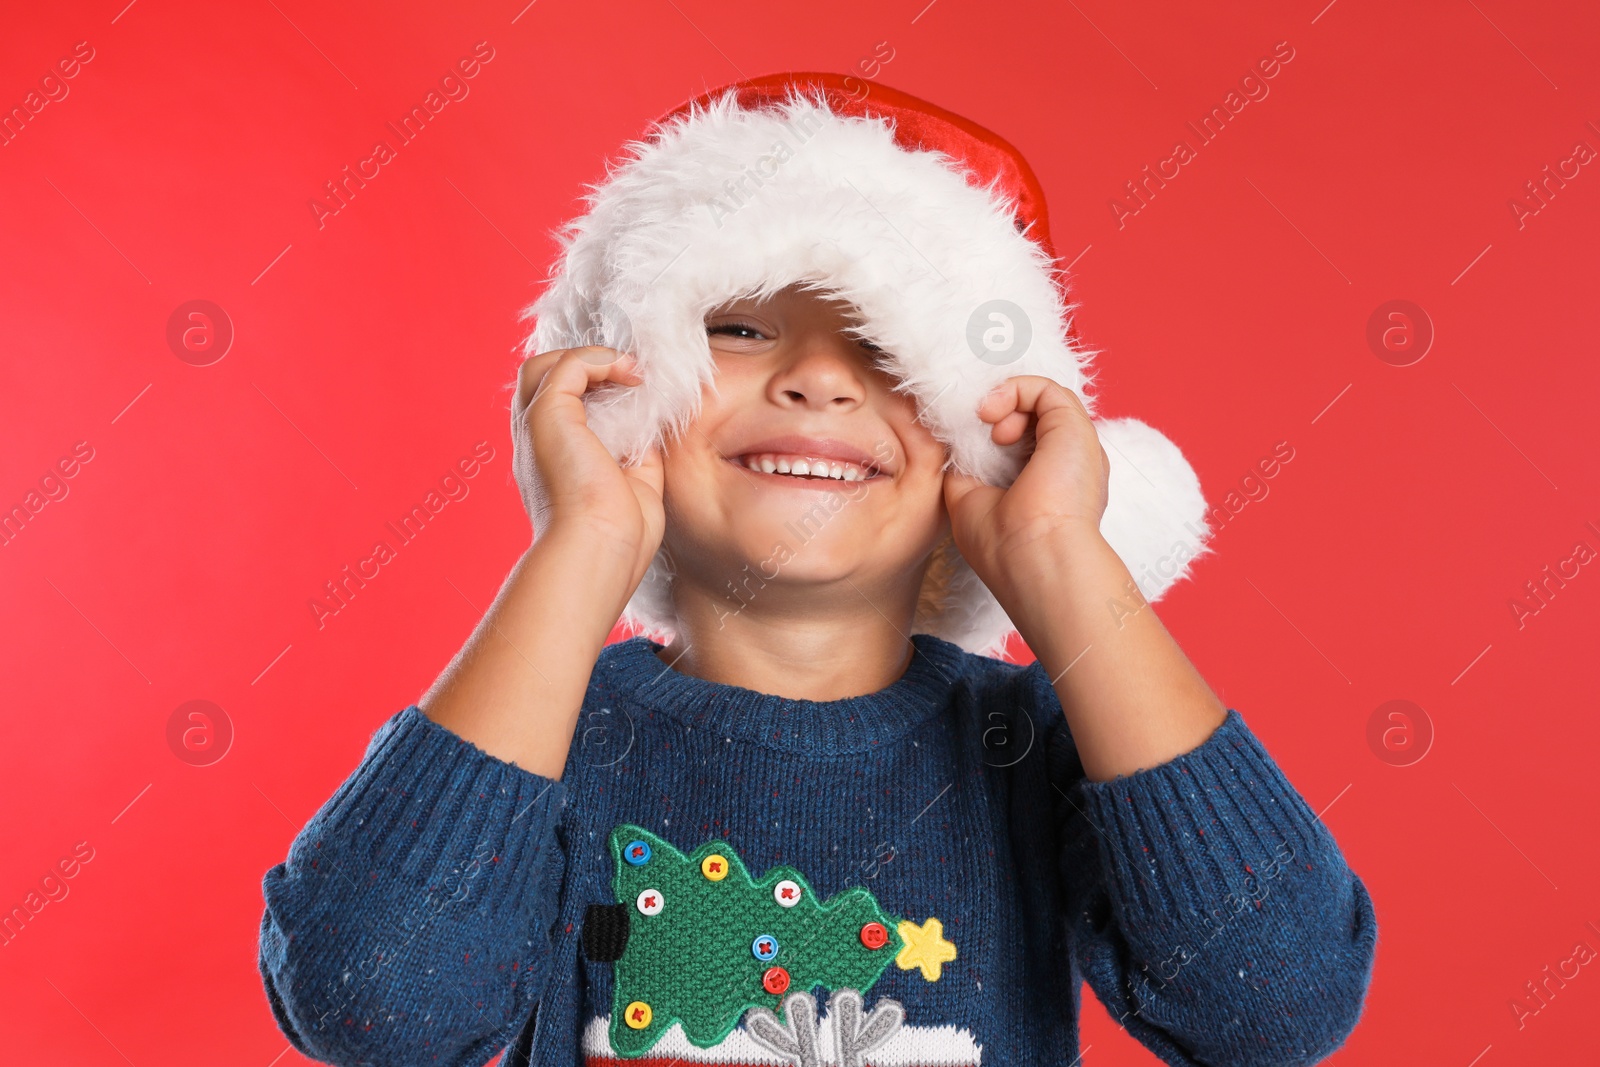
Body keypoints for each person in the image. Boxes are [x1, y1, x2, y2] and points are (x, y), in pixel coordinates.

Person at [259, 73, 1377, 1067]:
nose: (816, 381)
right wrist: (582, 543)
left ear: (976, 439)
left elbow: (1276, 1007)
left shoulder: (1037, 743)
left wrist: (1057, 555)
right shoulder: (546, 736)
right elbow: (371, 1005)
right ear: (627, 395)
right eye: (742, 327)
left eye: (892, 351)